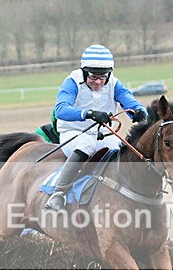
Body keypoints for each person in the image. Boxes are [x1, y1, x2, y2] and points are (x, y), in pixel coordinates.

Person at [45, 44, 148, 210]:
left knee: (117, 148)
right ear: (84, 71)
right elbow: (61, 110)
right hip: (72, 133)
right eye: (93, 77)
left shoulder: (114, 83)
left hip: (102, 135)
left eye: (103, 77)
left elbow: (131, 102)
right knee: (87, 144)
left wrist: (139, 112)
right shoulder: (72, 82)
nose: (99, 82)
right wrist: (89, 113)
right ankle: (59, 193)